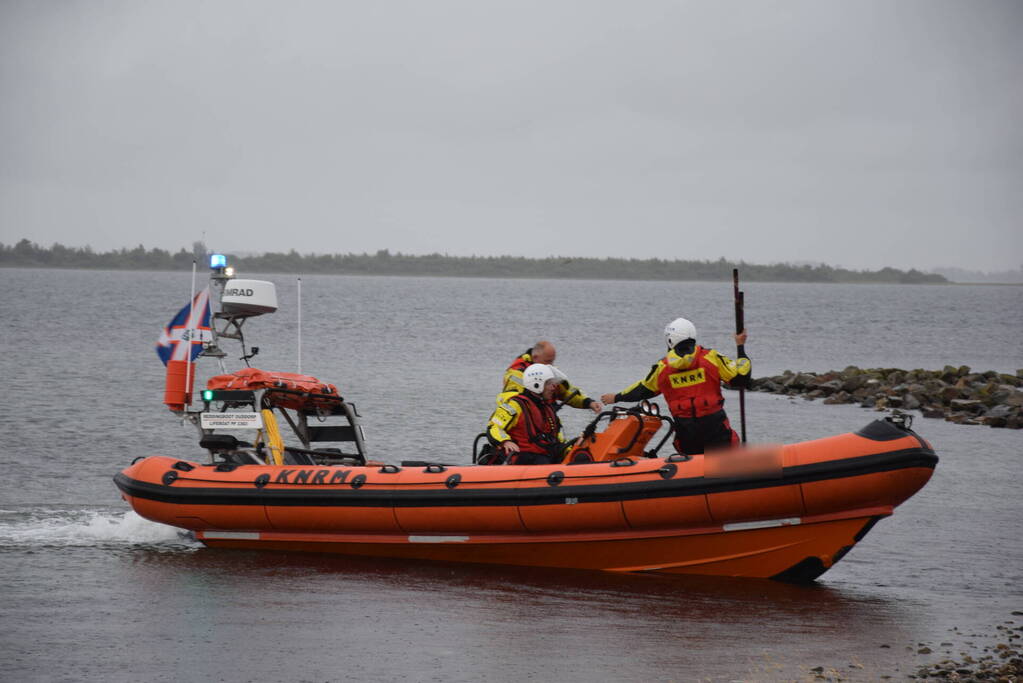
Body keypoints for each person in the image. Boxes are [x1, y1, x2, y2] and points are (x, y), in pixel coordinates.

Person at [601, 318, 751, 455]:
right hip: (716, 430)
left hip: (687, 434)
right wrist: (740, 347)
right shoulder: (711, 358)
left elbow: (643, 390)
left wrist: (616, 397)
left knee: (691, 462)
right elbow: (741, 378)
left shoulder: (663, 368)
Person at [487, 363, 572, 465]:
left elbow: (557, 438)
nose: (553, 387)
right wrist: (505, 441)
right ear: (537, 384)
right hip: (525, 459)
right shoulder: (515, 406)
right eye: (549, 383)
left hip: (545, 457)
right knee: (543, 461)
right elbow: (494, 427)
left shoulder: (548, 409)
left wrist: (571, 448)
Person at [503, 341, 602, 414]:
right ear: (536, 357)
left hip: (547, 417)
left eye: (552, 361)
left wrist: (588, 402)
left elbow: (566, 391)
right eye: (548, 361)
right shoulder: (516, 373)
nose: (551, 365)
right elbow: (516, 399)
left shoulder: (546, 370)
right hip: (527, 420)